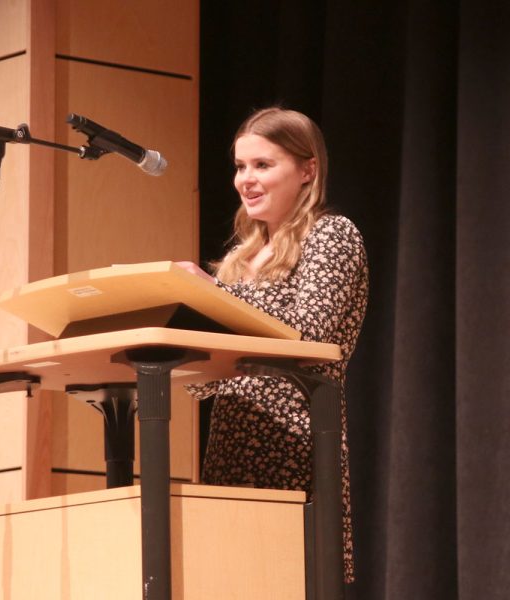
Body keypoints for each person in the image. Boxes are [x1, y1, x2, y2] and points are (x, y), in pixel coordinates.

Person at [176, 106, 369, 583]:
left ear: (307, 170)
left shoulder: (331, 235)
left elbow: (311, 329)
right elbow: (204, 388)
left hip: (296, 443)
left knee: (290, 578)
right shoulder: (239, 261)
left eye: (263, 165)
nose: (247, 179)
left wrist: (213, 296)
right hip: (231, 446)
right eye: (241, 166)